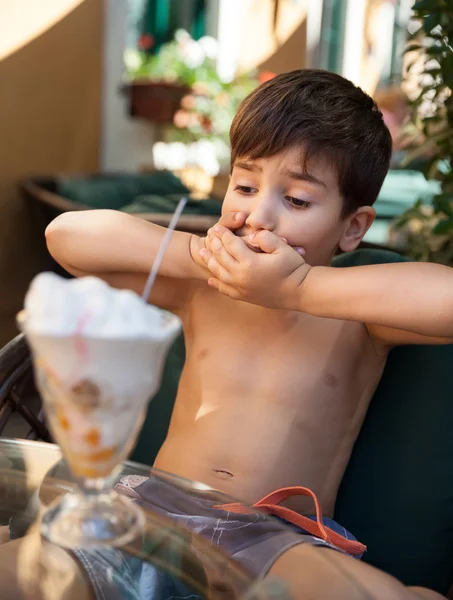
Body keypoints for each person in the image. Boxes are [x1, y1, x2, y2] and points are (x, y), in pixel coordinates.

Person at [45, 70, 447, 599]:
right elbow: (66, 236)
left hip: (273, 538)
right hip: (152, 512)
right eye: (245, 185)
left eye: (297, 200)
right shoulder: (202, 288)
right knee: (24, 569)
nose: (258, 215)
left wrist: (298, 289)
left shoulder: (357, 315)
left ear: (353, 227)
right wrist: (196, 256)